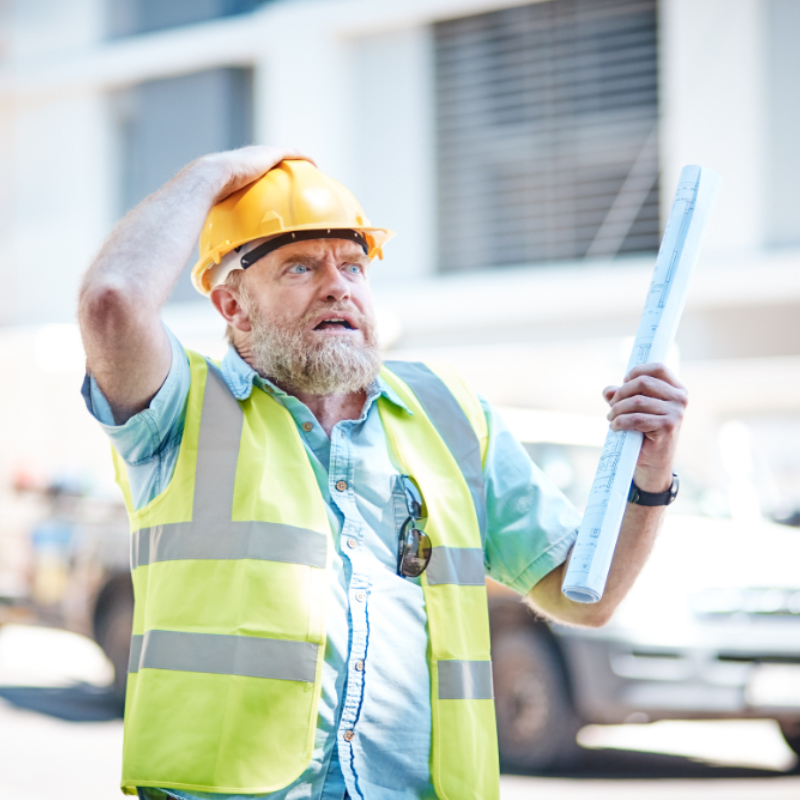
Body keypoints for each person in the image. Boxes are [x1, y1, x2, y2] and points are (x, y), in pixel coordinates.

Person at [78, 146, 688, 800]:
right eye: (300, 267)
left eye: (353, 264)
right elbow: (114, 300)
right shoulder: (183, 409)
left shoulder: (450, 414)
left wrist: (649, 478)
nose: (337, 284)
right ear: (232, 306)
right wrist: (213, 173)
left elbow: (586, 596)